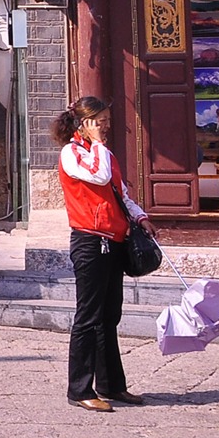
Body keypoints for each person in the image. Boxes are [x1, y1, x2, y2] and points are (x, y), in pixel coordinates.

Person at [55, 95, 155, 412]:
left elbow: (119, 192)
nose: (105, 127)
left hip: (114, 239)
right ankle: (79, 388)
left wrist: (140, 216)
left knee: (110, 316)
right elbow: (97, 175)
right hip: (89, 241)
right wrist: (96, 142)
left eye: (106, 121)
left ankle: (112, 385)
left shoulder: (105, 153)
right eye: (100, 122)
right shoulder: (71, 154)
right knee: (88, 317)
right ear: (84, 124)